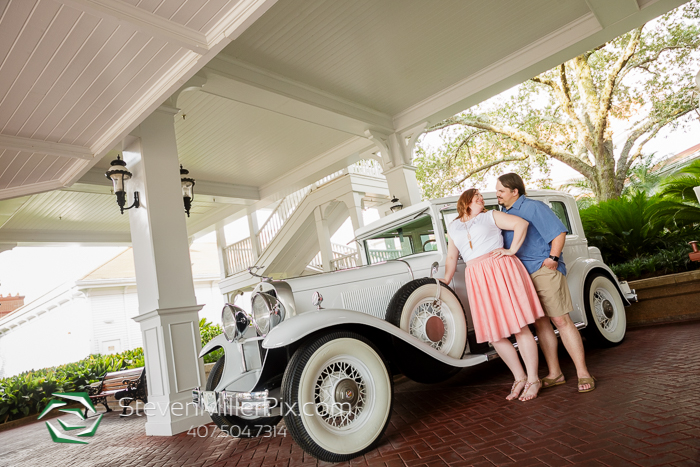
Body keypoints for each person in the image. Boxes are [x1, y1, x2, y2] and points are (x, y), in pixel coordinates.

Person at [441, 188, 545, 401]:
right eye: (476, 195)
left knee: (519, 326)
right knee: (494, 334)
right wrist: (445, 279)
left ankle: (534, 379)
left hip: (500, 270)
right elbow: (452, 257)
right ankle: (519, 378)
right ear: (466, 201)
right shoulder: (452, 226)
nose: (481, 197)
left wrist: (511, 250)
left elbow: (521, 224)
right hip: (477, 277)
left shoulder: (490, 216)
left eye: (481, 195)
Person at [496, 173, 595, 393]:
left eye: (501, 190)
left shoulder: (533, 207)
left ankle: (583, 372)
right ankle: (555, 373)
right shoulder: (505, 213)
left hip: (543, 270)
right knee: (541, 324)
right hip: (522, 275)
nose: (498, 194)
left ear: (515, 191)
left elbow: (558, 233)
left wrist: (553, 259)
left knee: (560, 320)